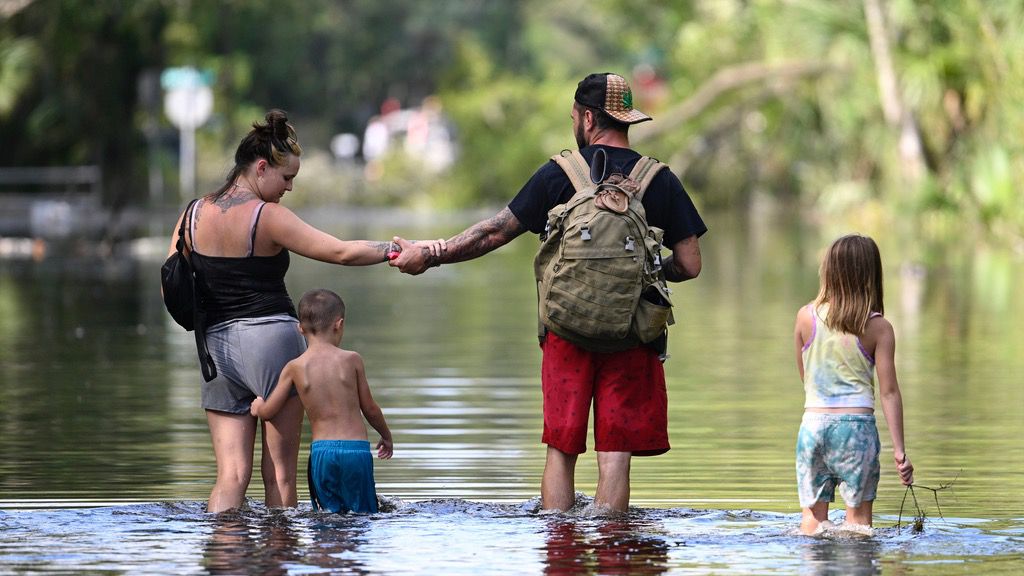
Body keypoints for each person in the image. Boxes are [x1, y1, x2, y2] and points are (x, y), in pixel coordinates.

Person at [390, 72, 707, 512]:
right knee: (615, 457)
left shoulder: (561, 174)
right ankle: (613, 546)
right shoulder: (659, 179)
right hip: (633, 335)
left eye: (575, 116)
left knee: (561, 450)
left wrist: (432, 252)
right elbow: (690, 264)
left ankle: (560, 544)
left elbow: (493, 233)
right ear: (626, 119)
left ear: (588, 118)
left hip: (566, 334)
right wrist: (646, 270)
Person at [165, 110, 403, 513]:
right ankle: (279, 561)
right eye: (286, 178)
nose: (289, 188)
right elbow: (340, 252)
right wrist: (395, 249)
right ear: (261, 168)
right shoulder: (266, 216)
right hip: (272, 343)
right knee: (278, 473)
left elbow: (170, 283)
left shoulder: (191, 214)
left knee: (230, 476)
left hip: (214, 351)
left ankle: (224, 561)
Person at [793, 234, 915, 534]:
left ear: (829, 271)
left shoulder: (805, 317)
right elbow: (888, 392)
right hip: (856, 429)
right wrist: (899, 451)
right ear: (871, 275)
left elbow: (806, 378)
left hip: (813, 426)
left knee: (812, 523)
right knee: (858, 527)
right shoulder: (878, 327)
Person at [251, 288, 392, 514]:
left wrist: (258, 407)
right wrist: (386, 435)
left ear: (300, 329)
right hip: (355, 452)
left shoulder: (294, 367)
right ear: (339, 324)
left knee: (327, 518)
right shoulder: (352, 360)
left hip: (322, 453)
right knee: (363, 515)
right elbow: (371, 409)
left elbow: (269, 411)